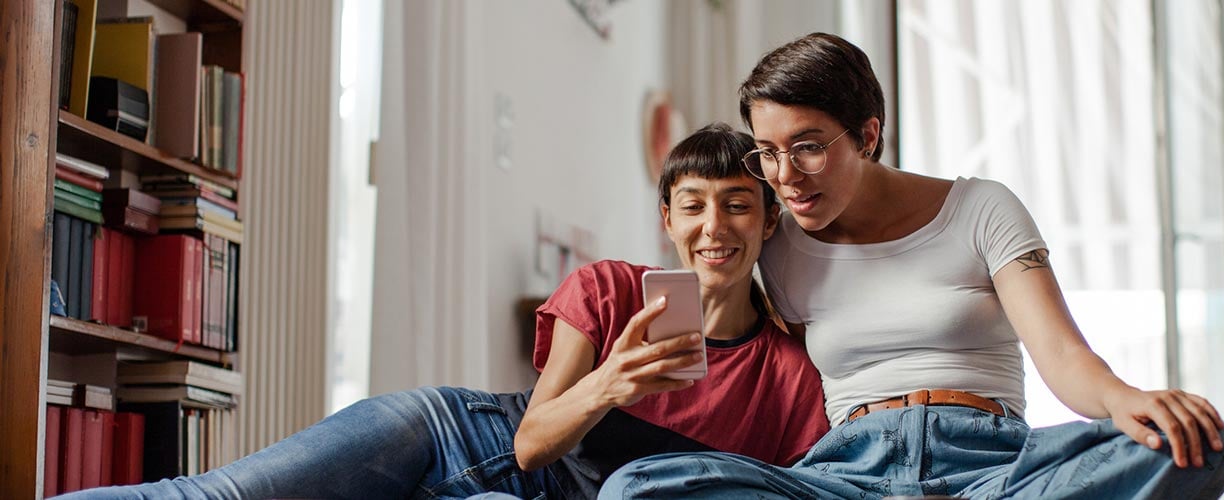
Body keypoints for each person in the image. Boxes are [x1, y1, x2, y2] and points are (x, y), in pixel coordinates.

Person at [601, 33, 1224, 499]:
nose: (785, 177)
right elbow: (744, 315)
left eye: (808, 148)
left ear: (868, 134)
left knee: (1197, 444)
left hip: (992, 467)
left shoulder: (982, 208)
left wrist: (1129, 401)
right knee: (637, 488)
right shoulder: (782, 246)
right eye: (767, 154)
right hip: (847, 473)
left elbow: (1064, 358)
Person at [61, 123, 829, 500]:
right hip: (447, 433)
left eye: (738, 206)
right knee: (216, 499)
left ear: (768, 221)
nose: (714, 227)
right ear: (668, 219)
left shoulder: (790, 377)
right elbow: (532, 443)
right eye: (693, 205)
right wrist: (610, 384)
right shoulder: (611, 290)